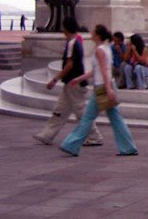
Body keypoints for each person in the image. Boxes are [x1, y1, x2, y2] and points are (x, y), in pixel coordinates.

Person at [60, 24, 138, 156]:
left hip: (102, 87)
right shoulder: (106, 48)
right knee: (115, 118)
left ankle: (71, 144)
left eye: (93, 32)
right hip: (105, 86)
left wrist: (108, 89)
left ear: (98, 35)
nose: (91, 33)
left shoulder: (100, 50)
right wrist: (80, 78)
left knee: (88, 118)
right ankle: (128, 147)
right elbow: (98, 70)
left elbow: (103, 71)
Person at [33, 17, 103, 147]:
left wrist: (55, 79)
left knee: (80, 111)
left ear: (66, 28)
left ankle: (94, 136)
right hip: (72, 83)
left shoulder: (72, 43)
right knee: (60, 109)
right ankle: (47, 135)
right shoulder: (78, 41)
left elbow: (69, 64)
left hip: (73, 83)